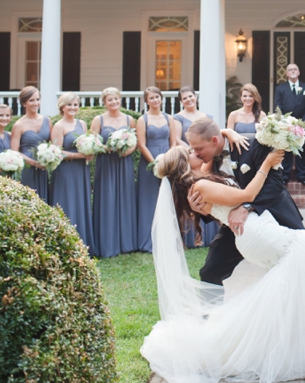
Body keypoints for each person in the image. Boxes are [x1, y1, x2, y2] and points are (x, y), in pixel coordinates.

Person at [141, 146, 305, 383]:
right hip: (256, 234)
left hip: (257, 229)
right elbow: (247, 195)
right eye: (190, 151)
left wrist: (229, 136)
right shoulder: (200, 187)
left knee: (301, 281)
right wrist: (266, 164)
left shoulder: (201, 182)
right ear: (186, 164)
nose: (195, 150)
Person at [186, 117, 304, 286]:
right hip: (238, 227)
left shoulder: (253, 143)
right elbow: (216, 204)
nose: (195, 153)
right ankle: (211, 313)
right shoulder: (207, 164)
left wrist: (247, 207)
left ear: (214, 141)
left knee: (301, 261)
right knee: (210, 271)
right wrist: (196, 208)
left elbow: (276, 184)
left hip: (274, 211)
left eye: (198, 148)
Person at [90, 87, 138, 258]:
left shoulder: (129, 119)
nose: (114, 102)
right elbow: (93, 141)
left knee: (125, 197)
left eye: (116, 99)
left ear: (120, 100)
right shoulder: (99, 120)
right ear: (104, 102)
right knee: (107, 198)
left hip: (124, 162)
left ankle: (126, 242)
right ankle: (107, 242)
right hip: (107, 162)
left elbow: (135, 141)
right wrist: (107, 147)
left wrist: (128, 150)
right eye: (110, 100)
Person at [173, 85, 219, 248]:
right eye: (184, 98)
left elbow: (215, 134)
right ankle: (195, 236)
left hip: (206, 158)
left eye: (190, 96)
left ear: (195, 97)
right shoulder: (178, 118)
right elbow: (177, 139)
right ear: (181, 101)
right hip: (191, 158)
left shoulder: (206, 116)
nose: (188, 99)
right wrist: (194, 151)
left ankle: (213, 234)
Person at [50, 92, 96, 255]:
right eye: (69, 104)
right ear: (62, 107)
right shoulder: (58, 126)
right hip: (66, 171)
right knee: (67, 203)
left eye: (75, 104)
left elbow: (86, 143)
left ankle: (82, 242)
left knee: (80, 203)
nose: (73, 107)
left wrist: (90, 151)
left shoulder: (82, 124)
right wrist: (79, 156)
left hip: (81, 170)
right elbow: (57, 153)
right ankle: (66, 245)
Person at [136, 86, 178, 253]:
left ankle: (168, 239)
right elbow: (141, 144)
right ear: (146, 101)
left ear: (161, 99)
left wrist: (168, 161)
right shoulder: (143, 119)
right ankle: (148, 241)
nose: (155, 100)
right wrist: (155, 163)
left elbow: (173, 142)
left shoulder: (169, 118)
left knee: (168, 198)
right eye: (151, 98)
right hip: (149, 162)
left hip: (168, 161)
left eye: (157, 97)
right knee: (150, 200)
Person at [273, 63, 305, 185]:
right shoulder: (280, 88)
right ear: (287, 73)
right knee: (287, 149)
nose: (293, 71)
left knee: (301, 149)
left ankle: (302, 175)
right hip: (287, 125)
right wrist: (286, 123)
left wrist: (301, 123)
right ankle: (286, 174)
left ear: (299, 72)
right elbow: (278, 106)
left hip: (301, 125)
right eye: (290, 70)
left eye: (295, 69)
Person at [10, 86, 51, 203]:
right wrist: (34, 163)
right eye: (31, 100)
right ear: (24, 103)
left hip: (43, 168)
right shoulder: (19, 125)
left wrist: (50, 158)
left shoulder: (47, 121)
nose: (35, 103)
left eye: (37, 99)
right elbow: (14, 151)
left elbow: (53, 144)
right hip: (27, 169)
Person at [227, 83, 265, 178]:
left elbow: (265, 137)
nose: (247, 98)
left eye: (250, 96)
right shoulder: (233, 115)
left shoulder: (261, 115)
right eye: (245, 96)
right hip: (238, 153)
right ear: (241, 97)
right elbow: (229, 135)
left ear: (255, 97)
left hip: (256, 154)